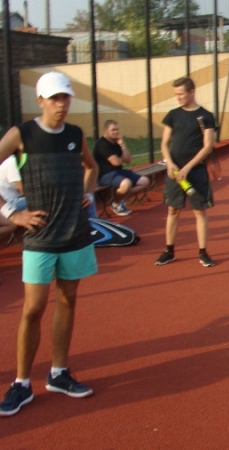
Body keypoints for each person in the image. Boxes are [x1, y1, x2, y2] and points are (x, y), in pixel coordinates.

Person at [0, 71, 98, 416]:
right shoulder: (22, 134)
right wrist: (13, 214)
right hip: (40, 238)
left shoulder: (75, 134)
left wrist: (88, 193)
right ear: (40, 101)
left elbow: (91, 167)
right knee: (32, 308)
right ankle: (21, 383)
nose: (61, 104)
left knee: (67, 300)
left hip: (74, 234)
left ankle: (58, 373)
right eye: (55, 98)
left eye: (65, 97)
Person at [155, 77, 216, 267]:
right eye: (176, 94)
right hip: (174, 173)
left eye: (181, 94)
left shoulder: (206, 116)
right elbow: (164, 144)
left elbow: (207, 146)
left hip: (196, 171)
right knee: (173, 210)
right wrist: (170, 164)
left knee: (199, 211)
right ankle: (169, 251)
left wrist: (188, 168)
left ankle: (203, 252)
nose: (178, 97)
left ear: (192, 92)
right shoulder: (173, 115)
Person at [93, 119, 150, 216]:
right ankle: (115, 204)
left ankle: (121, 199)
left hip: (119, 172)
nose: (116, 132)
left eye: (117, 129)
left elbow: (128, 160)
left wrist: (122, 145)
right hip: (105, 174)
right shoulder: (102, 144)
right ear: (105, 130)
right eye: (113, 130)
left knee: (145, 181)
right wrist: (120, 159)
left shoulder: (116, 143)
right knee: (126, 184)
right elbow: (116, 162)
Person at [0, 154, 24, 243]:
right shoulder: (13, 162)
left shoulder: (7, 161)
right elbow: (23, 190)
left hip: (8, 202)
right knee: (41, 202)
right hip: (7, 203)